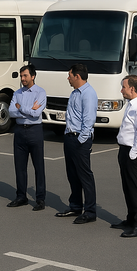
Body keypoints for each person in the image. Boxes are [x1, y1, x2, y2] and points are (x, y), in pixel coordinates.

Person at [55, 63, 97, 224]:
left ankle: (90, 211)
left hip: (80, 139)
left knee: (85, 176)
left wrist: (81, 140)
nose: (68, 78)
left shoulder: (88, 94)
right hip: (70, 137)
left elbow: (89, 119)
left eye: (70, 75)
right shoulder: (75, 93)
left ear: (77, 76)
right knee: (72, 175)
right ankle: (75, 206)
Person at [7, 64, 47, 211]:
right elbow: (11, 112)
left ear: (33, 76)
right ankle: (21, 196)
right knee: (20, 166)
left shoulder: (40, 93)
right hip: (19, 131)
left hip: (34, 131)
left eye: (25, 76)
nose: (22, 78)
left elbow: (36, 114)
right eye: (21, 76)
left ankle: (40, 199)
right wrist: (28, 110)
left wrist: (21, 108)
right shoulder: (17, 93)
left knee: (38, 167)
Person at [112, 75, 137, 237]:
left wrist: (133, 153)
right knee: (127, 187)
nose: (122, 90)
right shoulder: (131, 104)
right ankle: (131, 219)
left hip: (133, 151)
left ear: (132, 89)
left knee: (136, 189)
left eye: (124, 87)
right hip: (125, 150)